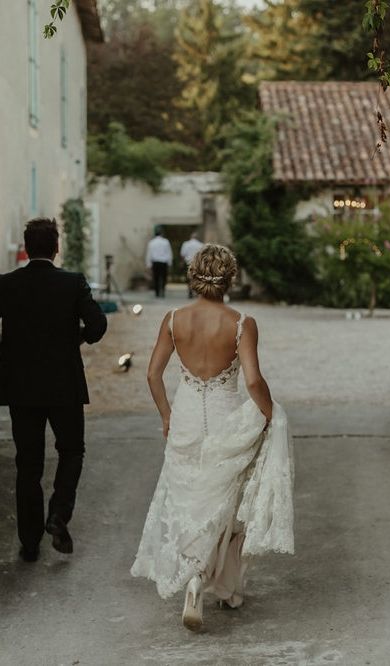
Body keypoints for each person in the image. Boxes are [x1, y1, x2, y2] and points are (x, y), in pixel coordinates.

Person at [131, 244, 294, 631]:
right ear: (229, 277)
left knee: (188, 498)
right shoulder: (242, 323)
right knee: (225, 502)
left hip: (186, 416)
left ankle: (198, 578)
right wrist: (270, 415)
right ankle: (217, 584)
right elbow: (252, 380)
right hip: (224, 416)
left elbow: (153, 375)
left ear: (193, 276)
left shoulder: (173, 320)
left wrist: (167, 415)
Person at [0, 218, 107, 562]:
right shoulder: (72, 283)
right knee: (71, 450)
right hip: (64, 383)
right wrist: (75, 338)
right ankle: (58, 514)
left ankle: (29, 541)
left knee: (28, 462)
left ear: (26, 248)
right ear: (57, 247)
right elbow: (98, 324)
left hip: (21, 386)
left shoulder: (7, 284)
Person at [145, 227, 173, 298]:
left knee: (156, 278)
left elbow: (149, 254)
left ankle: (157, 293)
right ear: (161, 234)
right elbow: (169, 253)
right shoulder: (166, 242)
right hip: (163, 262)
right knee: (163, 278)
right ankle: (162, 291)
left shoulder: (152, 242)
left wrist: (148, 264)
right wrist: (170, 263)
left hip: (155, 263)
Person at [180, 231, 204, 298]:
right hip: (197, 263)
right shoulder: (201, 245)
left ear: (190, 237)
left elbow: (182, 255)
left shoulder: (186, 244)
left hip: (188, 263)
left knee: (189, 278)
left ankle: (190, 291)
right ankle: (196, 291)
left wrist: (181, 263)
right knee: (196, 278)